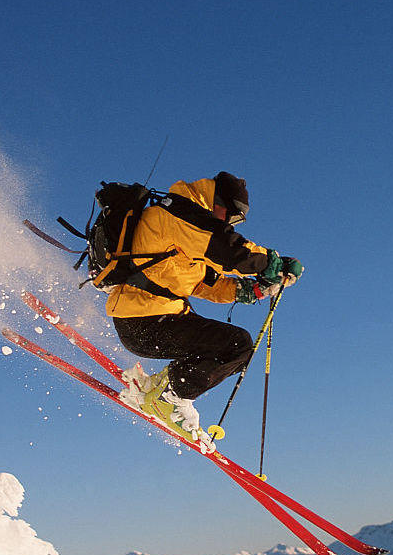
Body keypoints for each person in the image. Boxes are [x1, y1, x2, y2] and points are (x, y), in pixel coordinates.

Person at [108, 171, 302, 449]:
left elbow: (204, 282)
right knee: (237, 345)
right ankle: (168, 401)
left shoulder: (189, 226)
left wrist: (250, 291)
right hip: (144, 321)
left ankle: (161, 390)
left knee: (227, 346)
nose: (230, 222)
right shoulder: (180, 216)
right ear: (217, 200)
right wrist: (272, 263)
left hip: (152, 316)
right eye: (232, 216)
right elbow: (229, 250)